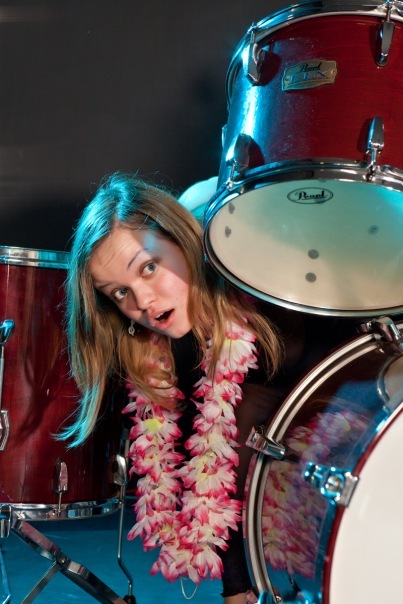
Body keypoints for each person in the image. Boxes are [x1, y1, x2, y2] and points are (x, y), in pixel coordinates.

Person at [59, 171, 289, 604]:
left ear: (183, 240)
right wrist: (237, 590)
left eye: (149, 267)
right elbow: (218, 468)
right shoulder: (162, 354)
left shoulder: (272, 308)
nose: (142, 302)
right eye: (119, 293)